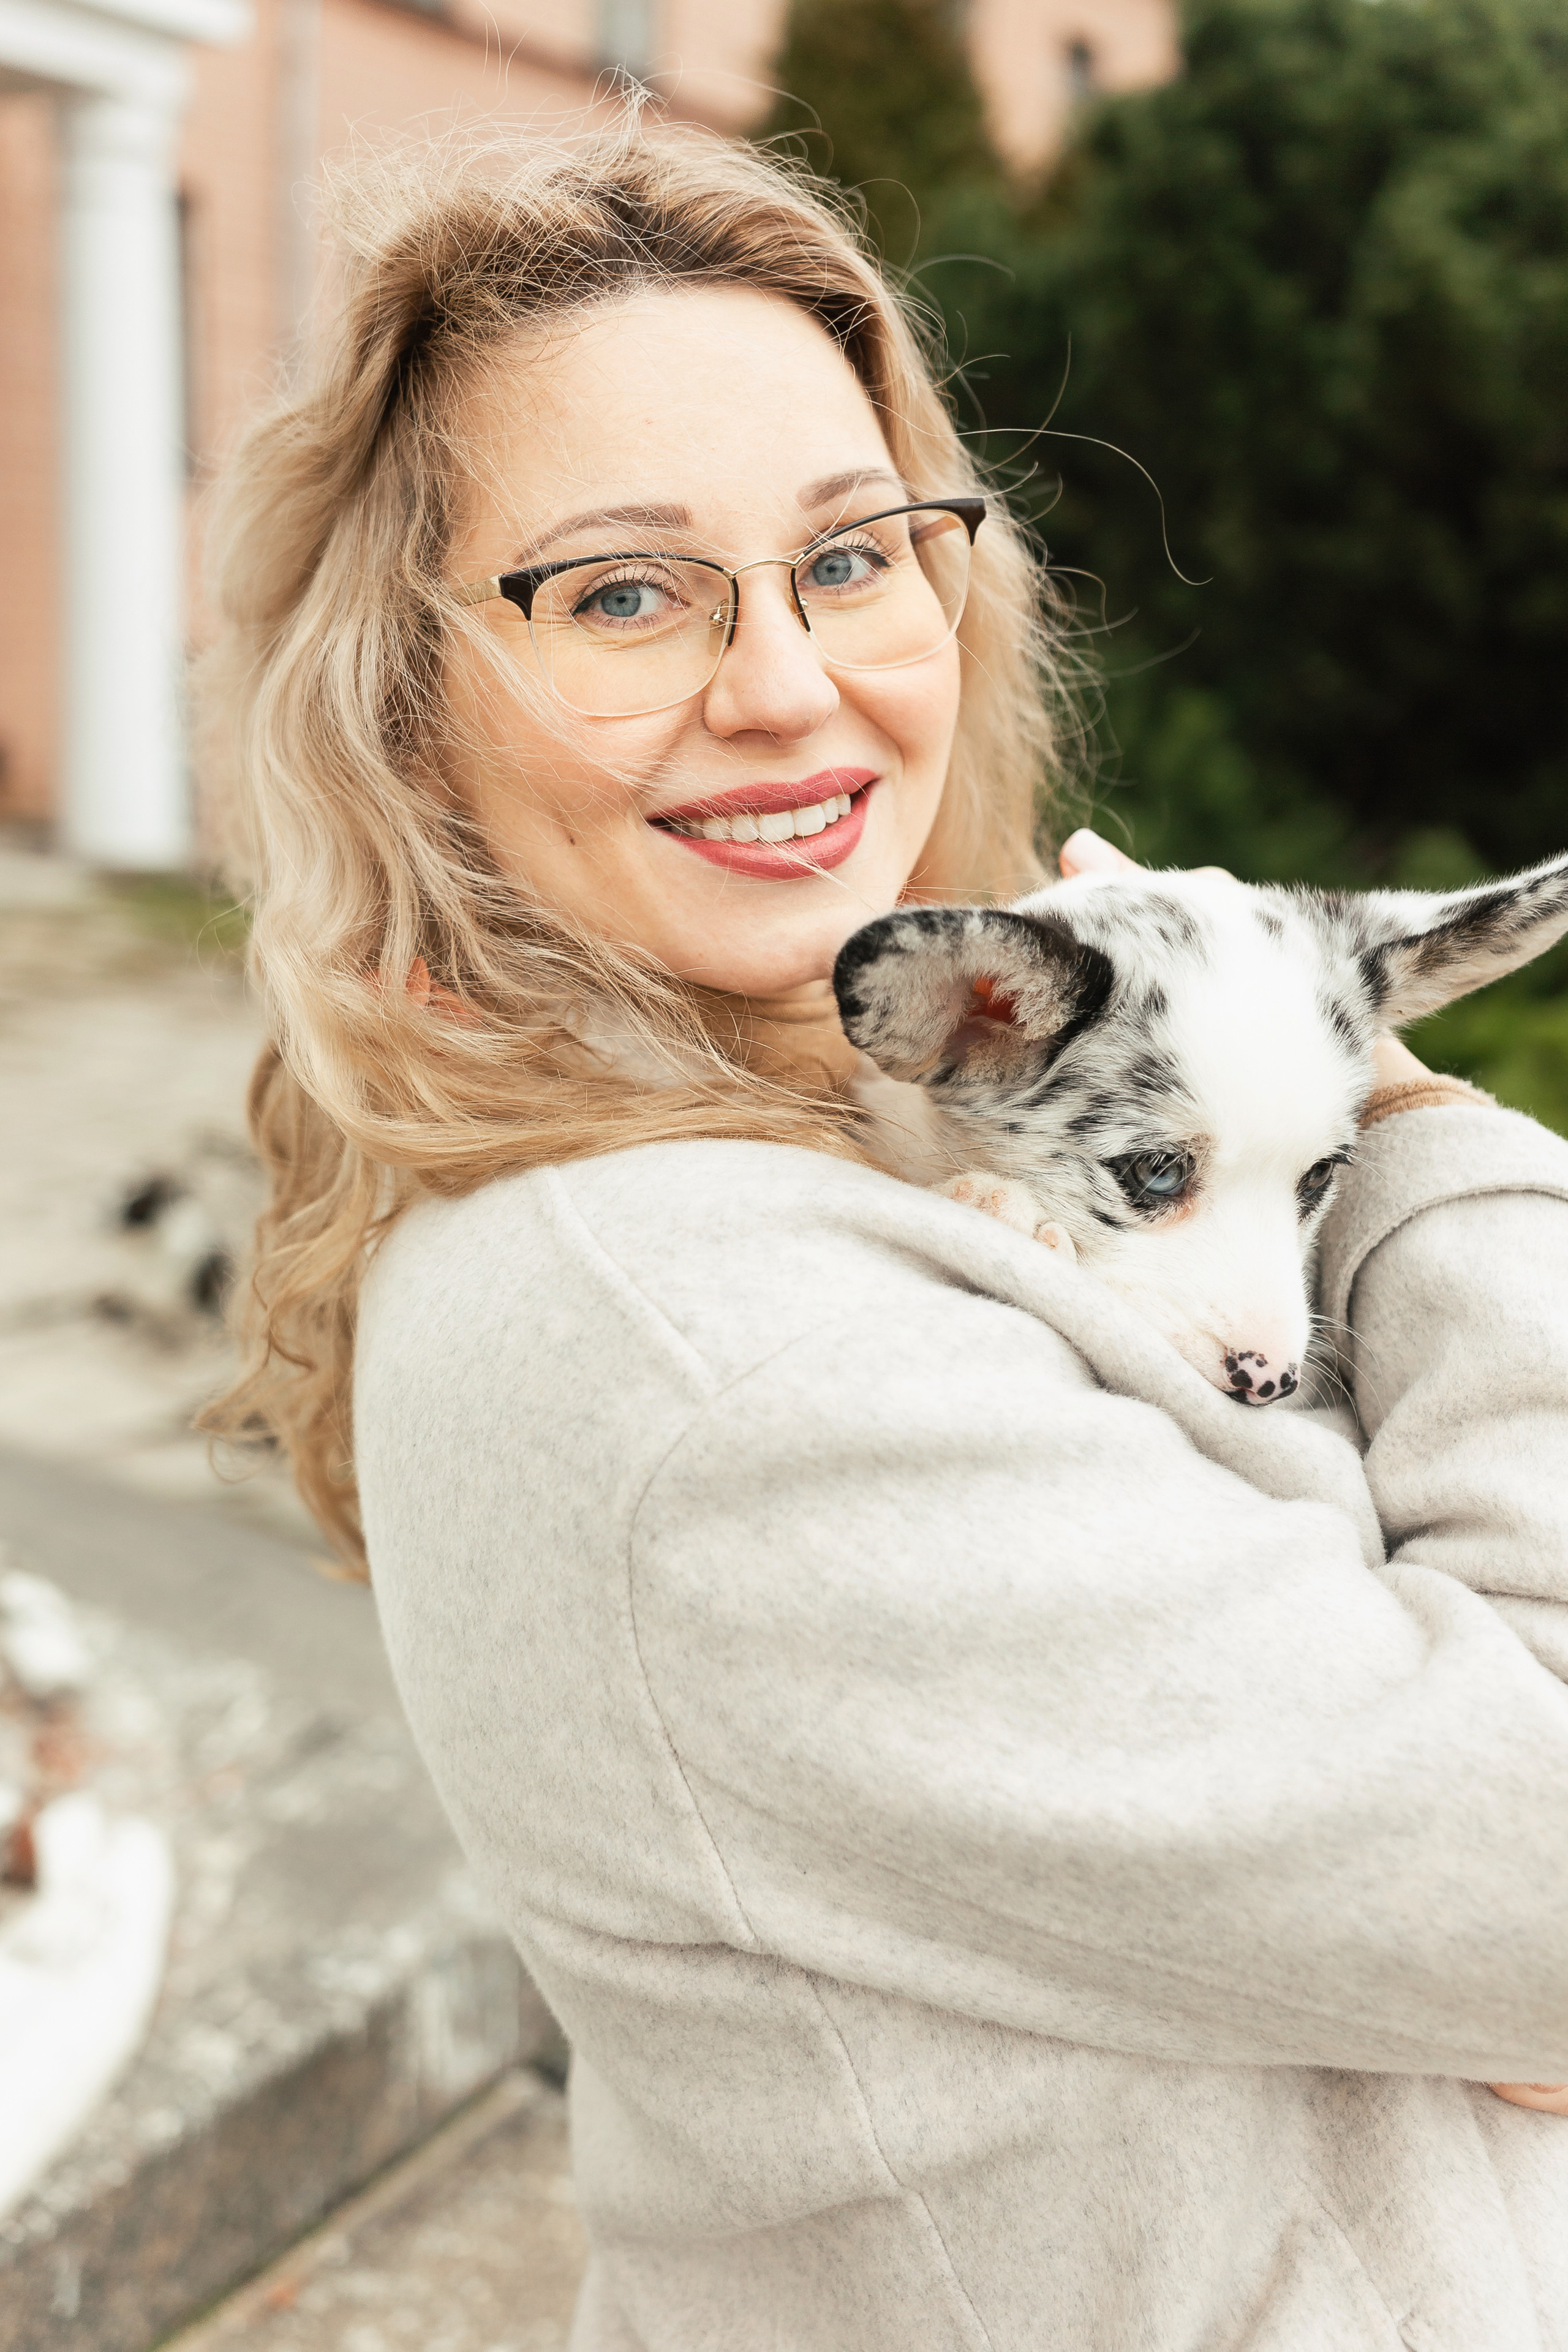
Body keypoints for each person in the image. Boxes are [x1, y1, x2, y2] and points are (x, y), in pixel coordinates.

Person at [204, 123, 1568, 2351]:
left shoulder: (850, 1119)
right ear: (407, 704)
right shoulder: (716, 1353)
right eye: (624, 591)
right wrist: (1384, 1112)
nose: (783, 684)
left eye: (853, 557)